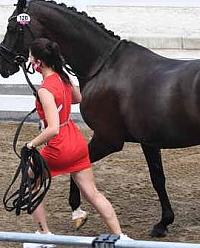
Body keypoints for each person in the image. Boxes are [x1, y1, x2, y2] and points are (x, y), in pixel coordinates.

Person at [22, 38, 130, 248]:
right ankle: (120, 236)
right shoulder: (64, 78)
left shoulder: (45, 89)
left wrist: (31, 144)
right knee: (93, 193)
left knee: (30, 183)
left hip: (59, 146)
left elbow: (52, 129)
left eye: (31, 57)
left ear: (39, 63)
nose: (29, 61)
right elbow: (78, 98)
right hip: (76, 141)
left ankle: (44, 235)